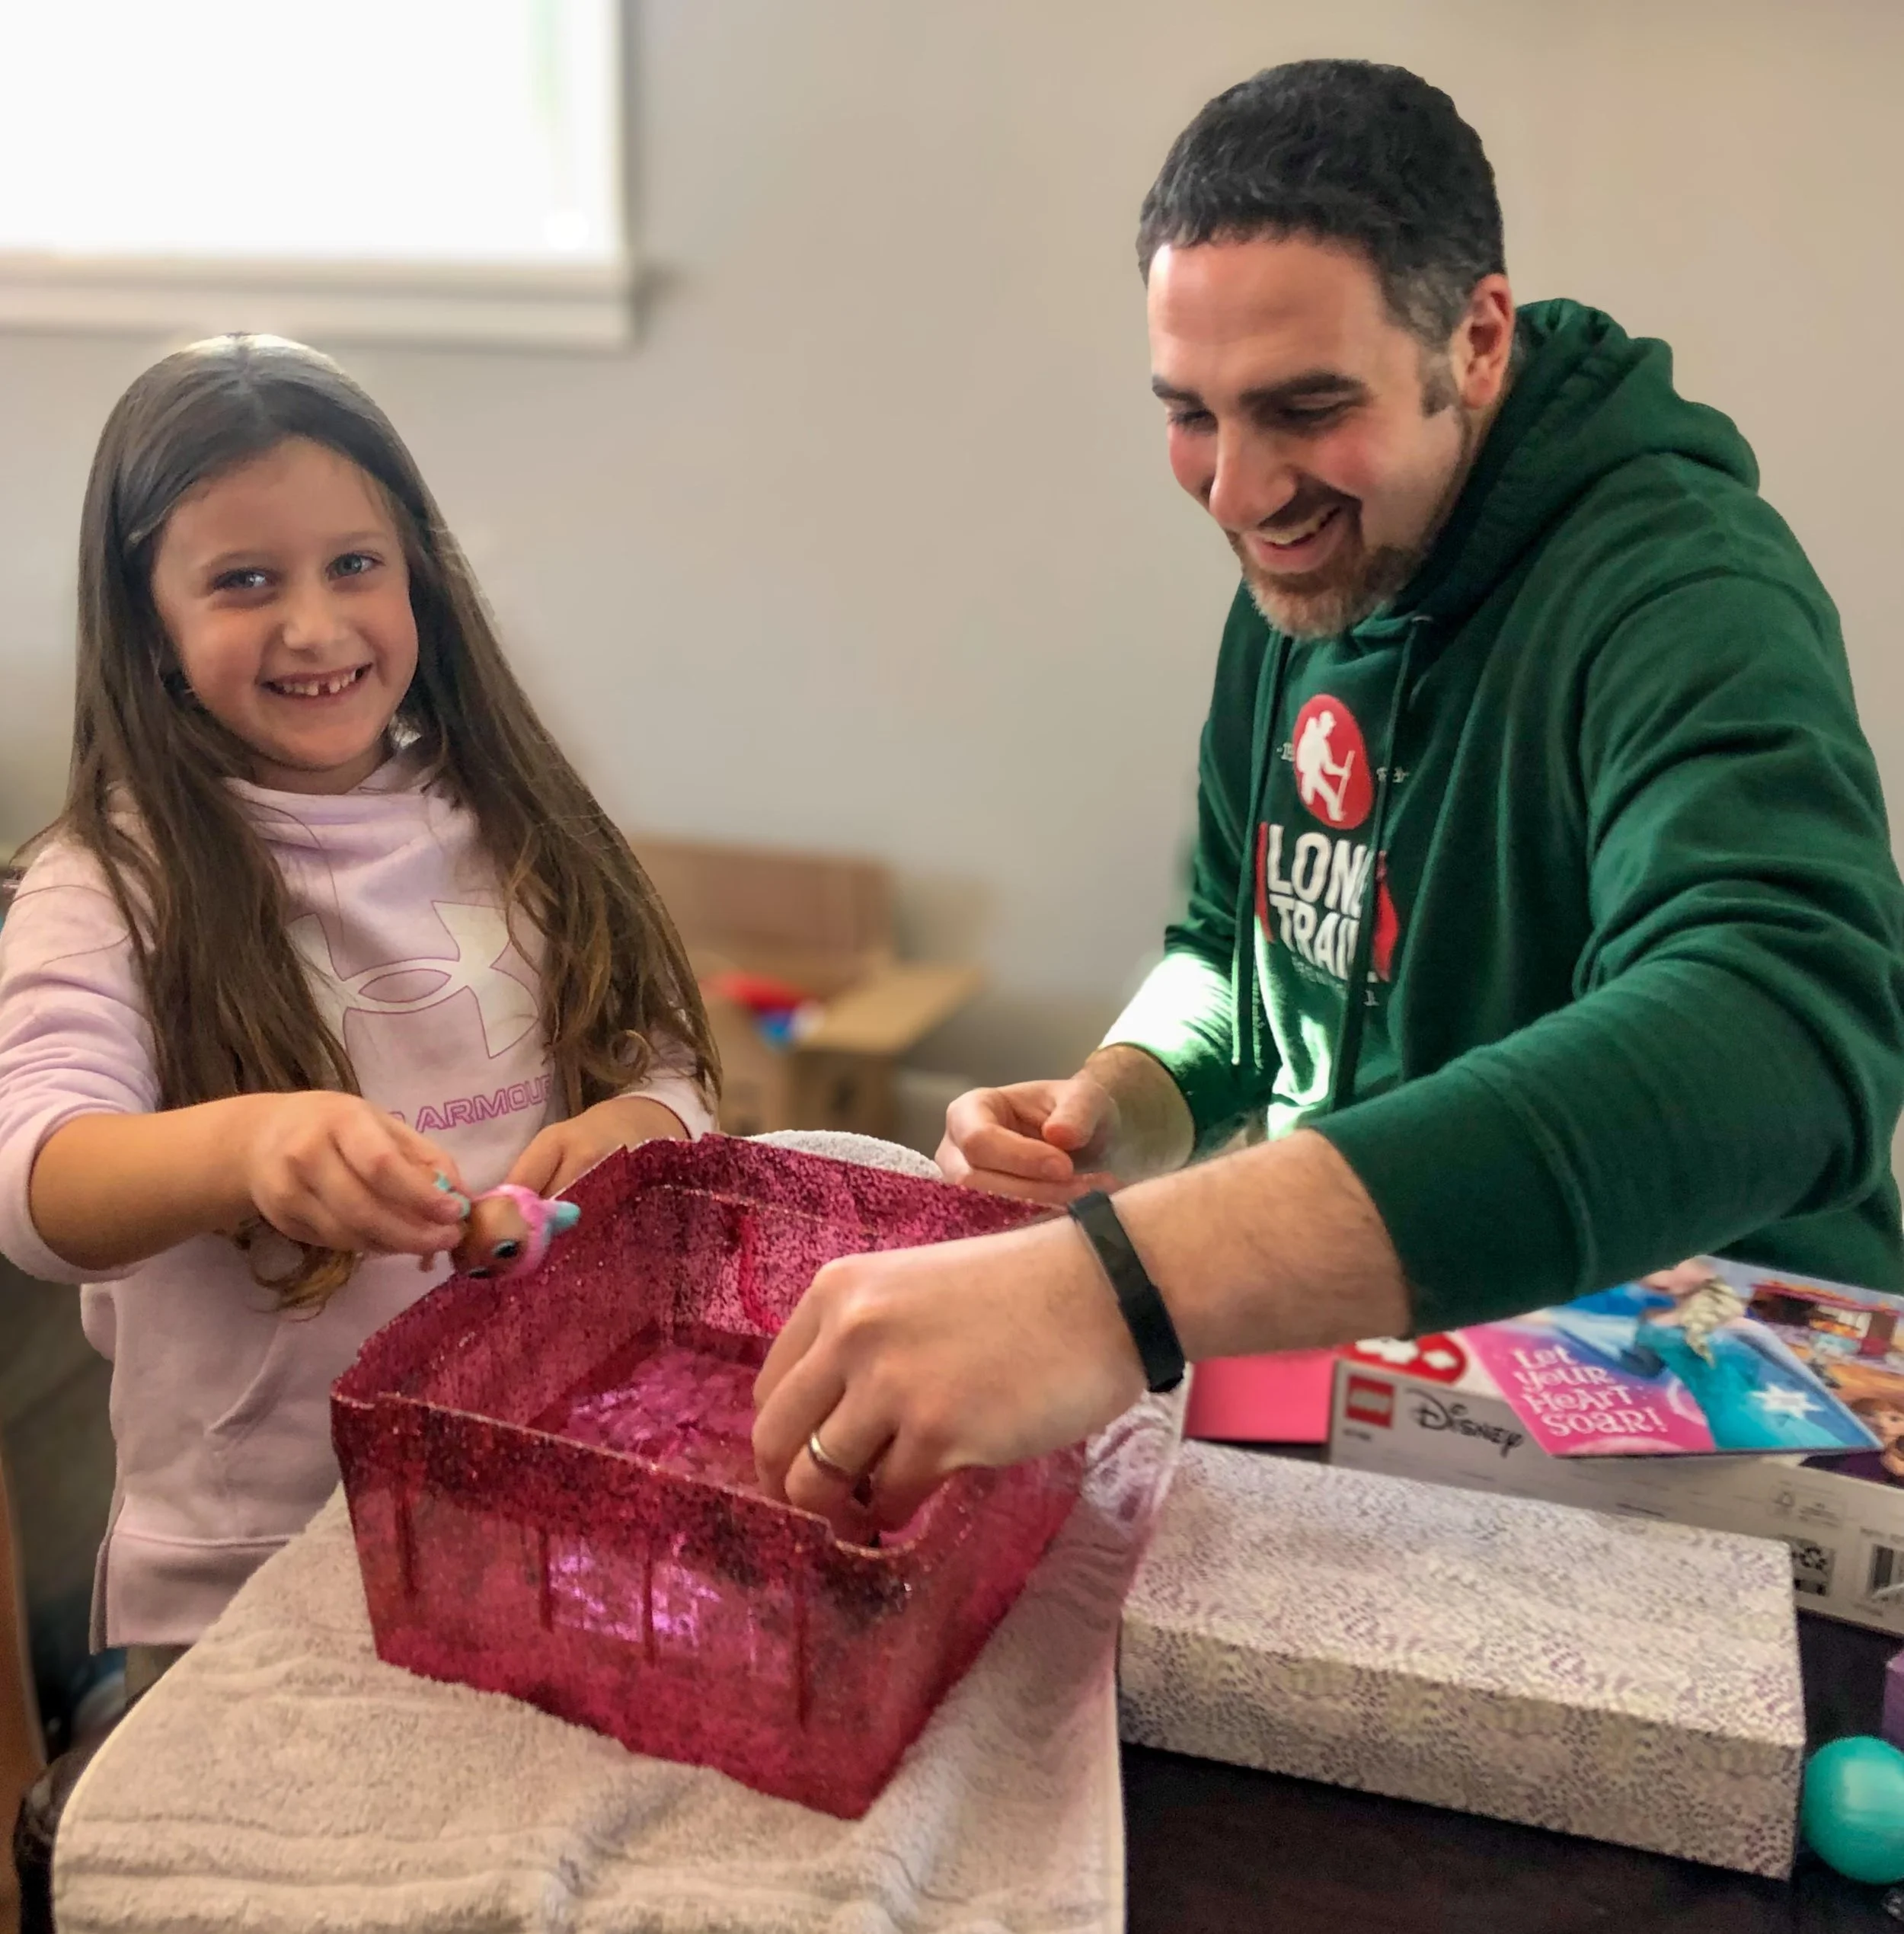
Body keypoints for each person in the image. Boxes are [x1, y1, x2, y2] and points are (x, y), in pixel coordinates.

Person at [752, 59, 1904, 1531]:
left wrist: (1115, 1287)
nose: (1238, 492)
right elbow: (1240, 950)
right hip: (1395, 1381)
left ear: (1475, 340)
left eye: (1304, 408)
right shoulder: (1316, 567)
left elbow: (1786, 1027)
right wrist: (1127, 1101)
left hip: (1736, 1431)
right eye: (1191, 414)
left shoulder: (1687, 590)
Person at [0, 336, 717, 1686]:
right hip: (248, 1571)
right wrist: (248, 1147)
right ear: (147, 622)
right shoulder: (107, 881)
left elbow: (666, 1059)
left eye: (353, 565)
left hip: (536, 1499)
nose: (317, 627)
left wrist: (645, 1127)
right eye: (244, 580)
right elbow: (36, 1181)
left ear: (419, 578)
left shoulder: (513, 815)